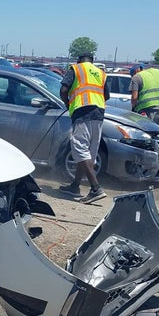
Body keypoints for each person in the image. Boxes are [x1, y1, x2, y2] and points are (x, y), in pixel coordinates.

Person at [59, 53, 109, 204]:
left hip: (82, 111)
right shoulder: (100, 73)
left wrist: (68, 104)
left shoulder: (76, 69)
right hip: (99, 113)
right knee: (89, 152)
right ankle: (75, 186)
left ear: (79, 61)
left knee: (80, 148)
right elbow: (106, 95)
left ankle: (96, 188)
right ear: (92, 62)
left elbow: (63, 90)